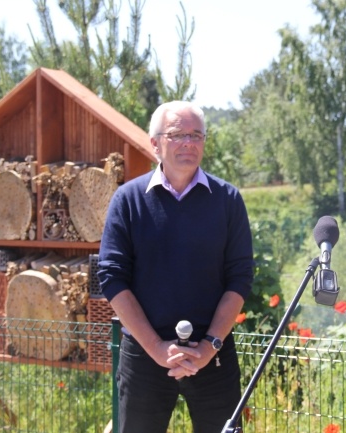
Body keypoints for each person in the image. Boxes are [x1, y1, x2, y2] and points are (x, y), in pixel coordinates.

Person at [97, 100, 254, 433]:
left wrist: (209, 345)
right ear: (155, 144)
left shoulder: (228, 200)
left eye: (197, 135)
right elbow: (111, 277)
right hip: (144, 356)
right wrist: (155, 347)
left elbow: (239, 279)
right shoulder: (128, 200)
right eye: (178, 134)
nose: (189, 143)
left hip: (213, 357)